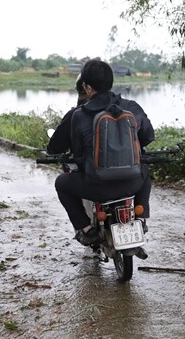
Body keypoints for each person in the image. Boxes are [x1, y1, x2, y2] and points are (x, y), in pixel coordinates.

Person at [51, 59, 155, 246]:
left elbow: (78, 154)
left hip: (95, 187)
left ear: (88, 88)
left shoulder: (79, 115)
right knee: (144, 170)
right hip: (131, 184)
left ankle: (86, 229)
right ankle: (141, 217)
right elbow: (148, 136)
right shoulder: (131, 107)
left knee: (61, 183)